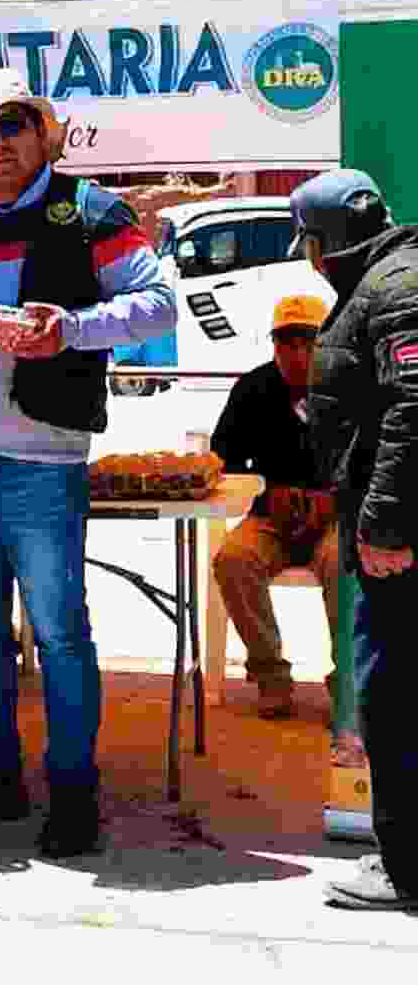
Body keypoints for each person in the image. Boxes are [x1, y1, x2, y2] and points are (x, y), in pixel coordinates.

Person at [0, 67, 176, 858]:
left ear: (39, 133)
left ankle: (74, 792)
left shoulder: (90, 212)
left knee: (57, 633)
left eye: (10, 125)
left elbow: (158, 302)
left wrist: (72, 329)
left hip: (41, 466)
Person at [293, 170, 418, 911]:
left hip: (399, 539)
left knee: (394, 700)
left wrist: (385, 524)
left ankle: (406, 869)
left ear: (320, 243)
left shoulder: (396, 287)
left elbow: (413, 409)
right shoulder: (389, 277)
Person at [209, 293, 339, 720]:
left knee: (344, 563)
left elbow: (377, 461)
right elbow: (222, 458)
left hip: (334, 520)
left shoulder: (350, 388)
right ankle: (271, 676)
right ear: (274, 346)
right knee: (232, 559)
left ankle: (350, 683)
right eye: (286, 342)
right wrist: (266, 493)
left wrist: (335, 500)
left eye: (308, 341)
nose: (297, 353)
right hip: (271, 518)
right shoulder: (254, 388)